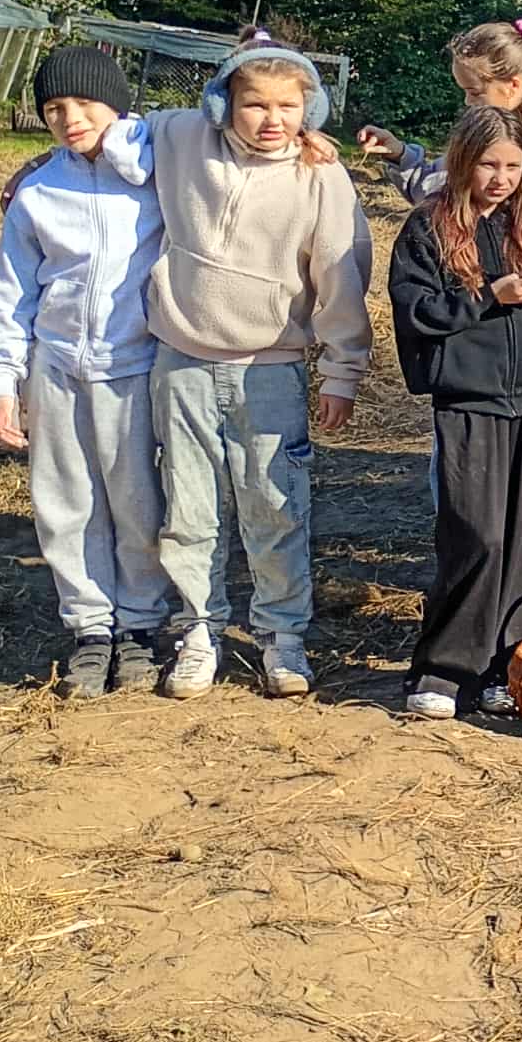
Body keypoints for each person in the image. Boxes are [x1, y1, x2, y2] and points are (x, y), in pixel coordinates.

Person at [127, 38, 373, 701]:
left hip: (270, 367)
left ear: (309, 107)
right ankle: (199, 631)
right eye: (255, 103)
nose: (272, 118)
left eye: (288, 105)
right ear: (222, 103)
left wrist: (343, 369)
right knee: (189, 506)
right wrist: (38, 163)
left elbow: (340, 275)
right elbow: (106, 131)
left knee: (275, 505)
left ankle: (281, 637)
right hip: (179, 358)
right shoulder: (179, 137)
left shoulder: (320, 175)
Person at [0, 47, 169, 697]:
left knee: (137, 502)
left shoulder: (153, 175)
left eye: (85, 103)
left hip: (134, 365)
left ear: (117, 104)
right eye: (54, 108)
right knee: (65, 502)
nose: (70, 118)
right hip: (56, 367)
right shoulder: (38, 192)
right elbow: (11, 295)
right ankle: (91, 629)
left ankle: (141, 627)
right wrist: (4, 382)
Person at [388, 108, 522, 720]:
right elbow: (417, 311)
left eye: (513, 166)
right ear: (463, 160)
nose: (500, 178)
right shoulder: (429, 228)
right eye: (489, 165)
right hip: (469, 398)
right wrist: (489, 294)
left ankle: (508, 664)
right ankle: (445, 668)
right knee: (476, 535)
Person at [358, 19, 522, 227]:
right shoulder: (475, 134)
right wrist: (398, 155)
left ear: (513, 85)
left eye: (474, 92)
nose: (468, 101)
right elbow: (432, 189)